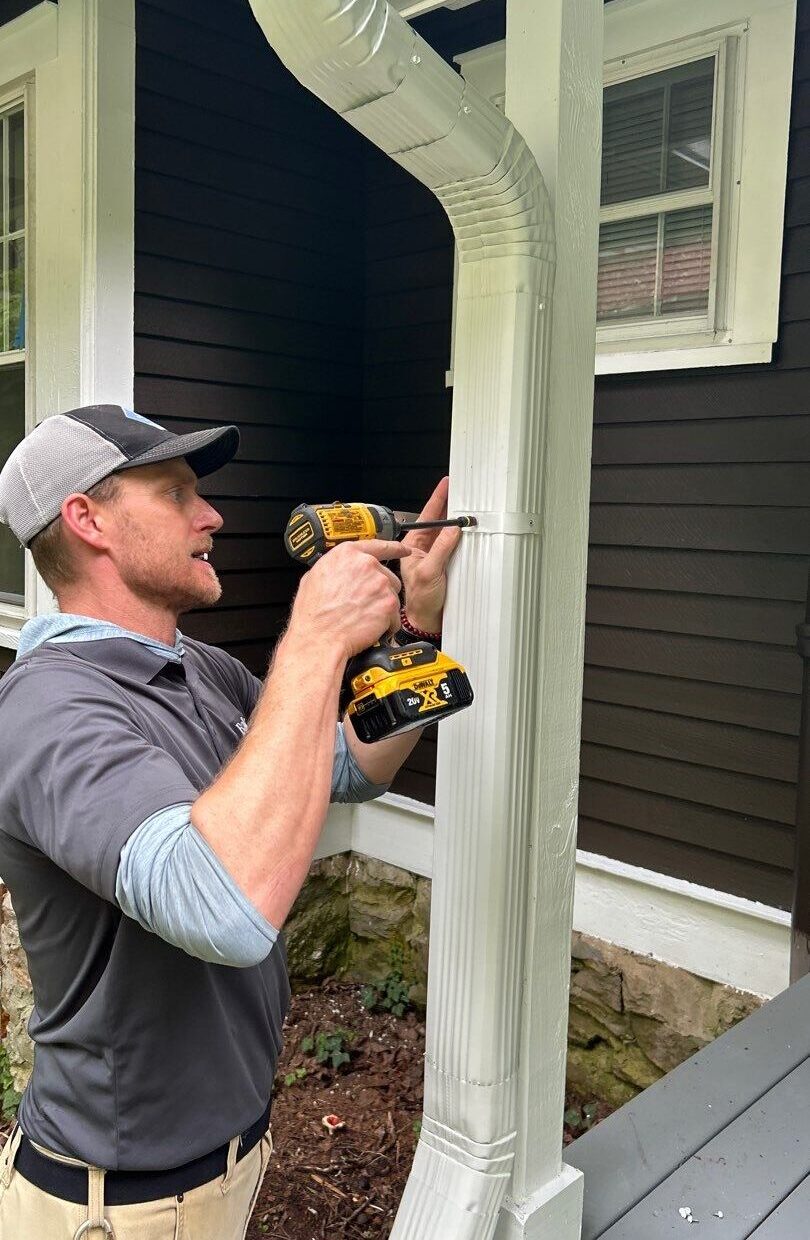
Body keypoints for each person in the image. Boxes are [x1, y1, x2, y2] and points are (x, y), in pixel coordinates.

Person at [0, 404, 461, 1240]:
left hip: (224, 1165)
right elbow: (223, 905)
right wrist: (317, 640)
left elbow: (350, 768)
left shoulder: (201, 670)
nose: (210, 514)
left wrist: (414, 629)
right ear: (86, 518)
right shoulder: (46, 711)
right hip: (114, 1208)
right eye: (176, 493)